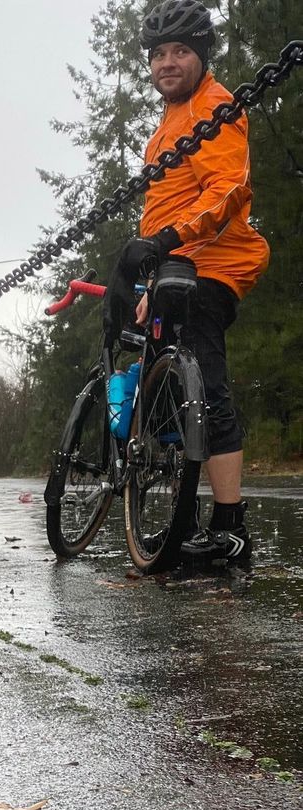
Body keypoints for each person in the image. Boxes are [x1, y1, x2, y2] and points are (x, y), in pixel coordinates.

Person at [109, 0, 269, 566]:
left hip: (215, 264)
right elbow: (167, 203)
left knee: (207, 381)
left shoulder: (215, 106)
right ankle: (182, 521)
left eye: (180, 52)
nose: (168, 63)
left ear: (201, 56)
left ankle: (230, 527)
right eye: (159, 55)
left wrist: (163, 242)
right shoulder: (165, 127)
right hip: (174, 266)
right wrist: (151, 273)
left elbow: (226, 192)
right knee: (166, 392)